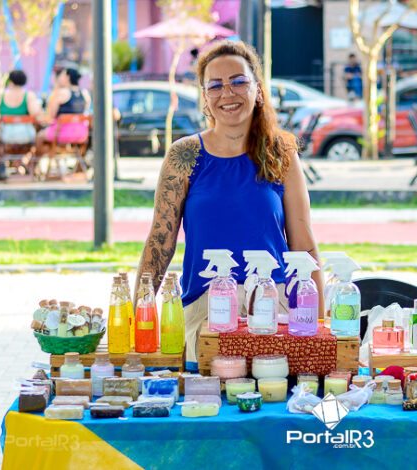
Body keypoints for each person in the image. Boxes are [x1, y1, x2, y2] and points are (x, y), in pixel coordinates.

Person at [134, 40, 324, 365]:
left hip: (272, 307)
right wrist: (138, 311)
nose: (227, 93)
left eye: (238, 81)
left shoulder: (281, 152)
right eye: (215, 86)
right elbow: (160, 241)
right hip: (204, 309)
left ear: (258, 90)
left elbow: (303, 244)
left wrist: (321, 324)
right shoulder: (184, 155)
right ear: (205, 97)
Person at [36, 67, 91, 155]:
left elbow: (50, 116)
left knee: (39, 137)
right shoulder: (85, 93)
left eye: (62, 75)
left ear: (67, 77)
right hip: (81, 133)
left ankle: (44, 158)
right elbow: (85, 111)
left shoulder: (61, 93)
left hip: (61, 133)